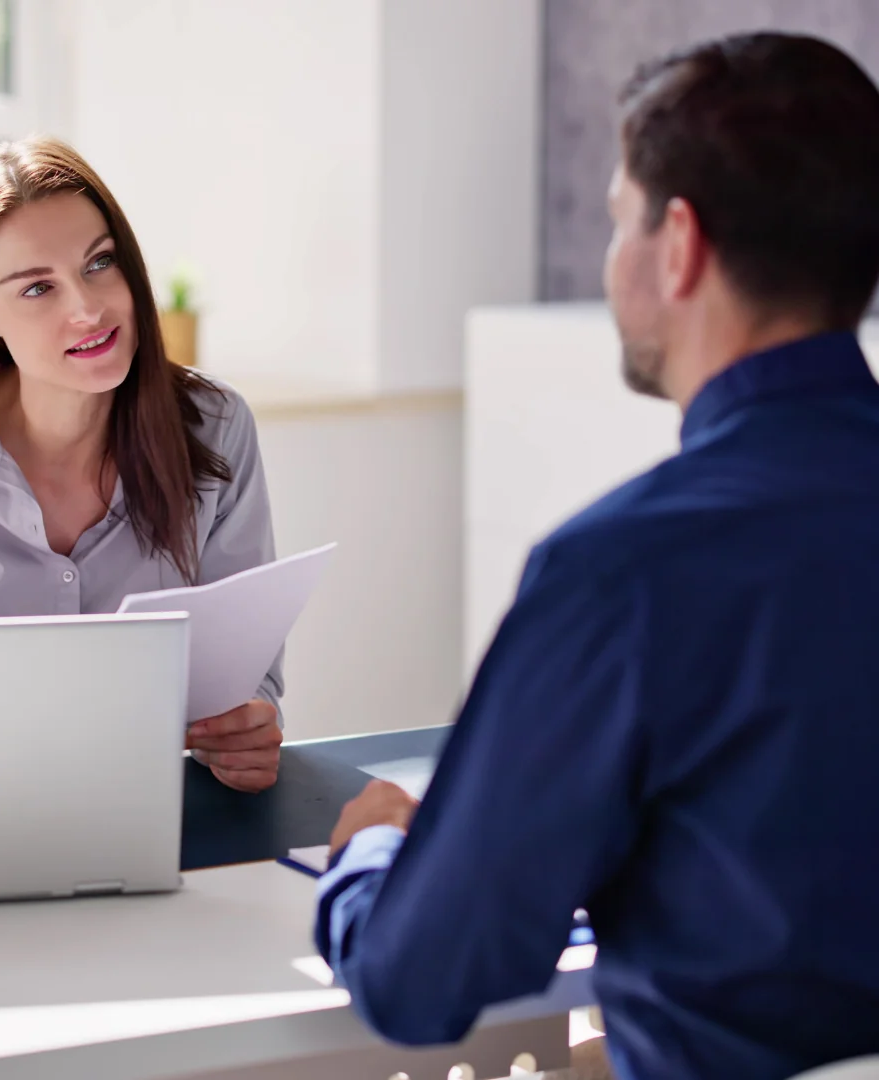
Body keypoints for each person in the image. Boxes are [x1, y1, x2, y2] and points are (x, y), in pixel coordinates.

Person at [315, 31, 879, 1080]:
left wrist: (378, 850)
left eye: (618, 218)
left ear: (680, 245)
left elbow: (420, 980)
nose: (608, 257)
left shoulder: (621, 572)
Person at [0, 137, 283, 794]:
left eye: (99, 263)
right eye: (37, 287)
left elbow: (246, 674)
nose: (88, 309)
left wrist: (244, 733)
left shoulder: (215, 425)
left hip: (152, 810)